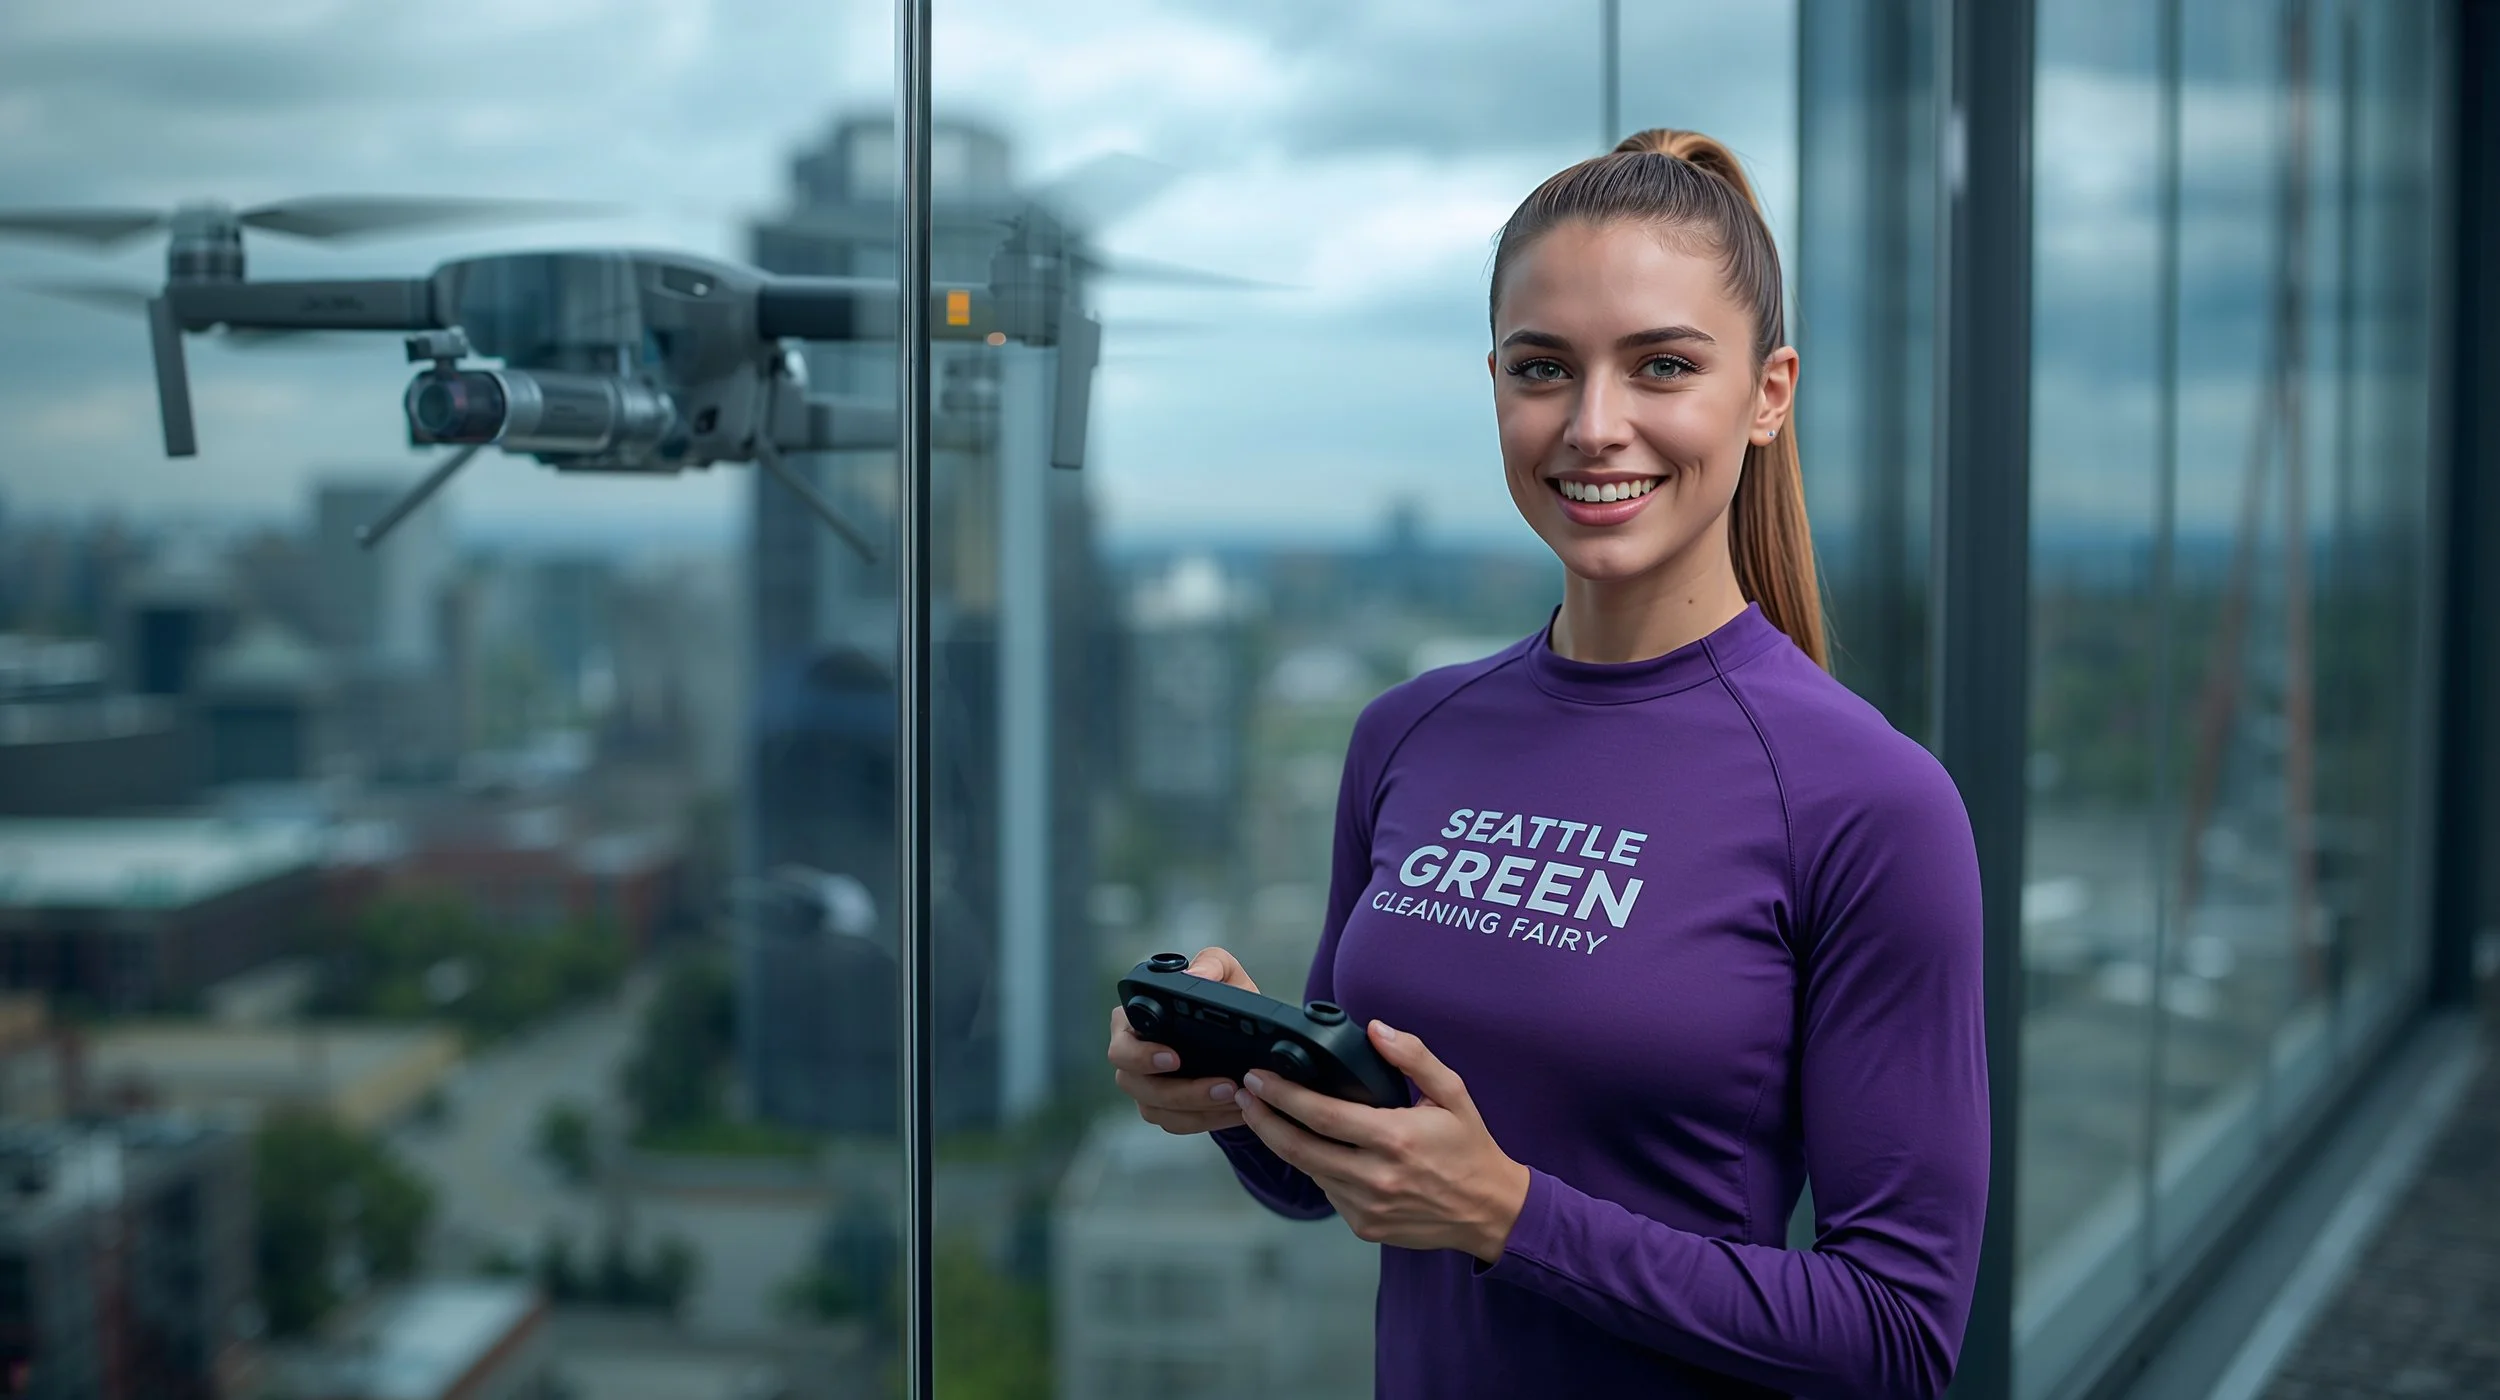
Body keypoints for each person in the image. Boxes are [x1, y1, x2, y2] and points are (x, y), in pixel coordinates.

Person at [1105, 129, 1988, 1399]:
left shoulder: (1869, 802)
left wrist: (1510, 1214)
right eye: (1542, 369)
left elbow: (1899, 1336)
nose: (1591, 425)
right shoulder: (1405, 733)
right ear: (1496, 385)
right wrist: (1236, 1086)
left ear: (1768, 392)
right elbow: (1345, 1176)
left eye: (1662, 366)